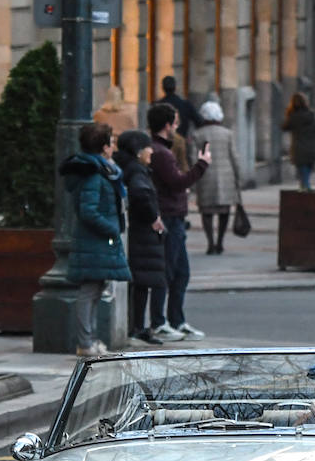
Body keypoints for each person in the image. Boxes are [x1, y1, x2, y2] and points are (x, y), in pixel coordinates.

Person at [58, 122, 131, 357]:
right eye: (110, 142)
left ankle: (89, 340)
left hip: (97, 240)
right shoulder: (94, 174)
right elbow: (88, 210)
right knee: (89, 291)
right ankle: (86, 342)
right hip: (95, 240)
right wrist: (111, 228)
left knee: (96, 289)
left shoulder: (102, 170)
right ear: (103, 146)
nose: (113, 147)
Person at [148, 102, 210, 342]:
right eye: (174, 122)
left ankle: (176, 320)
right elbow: (177, 182)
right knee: (168, 271)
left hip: (174, 217)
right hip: (170, 217)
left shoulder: (163, 150)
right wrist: (202, 164)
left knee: (180, 272)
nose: (177, 126)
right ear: (166, 125)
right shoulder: (162, 153)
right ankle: (160, 322)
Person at [113, 129, 167, 346]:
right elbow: (140, 194)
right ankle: (138, 327)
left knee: (141, 282)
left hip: (138, 232)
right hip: (142, 234)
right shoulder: (137, 171)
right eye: (147, 147)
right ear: (137, 151)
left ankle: (137, 326)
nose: (151, 151)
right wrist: (154, 217)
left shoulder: (132, 168)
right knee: (143, 281)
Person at [191, 99, 242, 255]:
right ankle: (220, 242)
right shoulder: (227, 134)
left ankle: (210, 243)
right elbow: (234, 156)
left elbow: (194, 158)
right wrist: (238, 176)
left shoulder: (197, 134)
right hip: (226, 177)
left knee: (206, 212)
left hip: (205, 176)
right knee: (224, 211)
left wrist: (193, 179)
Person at [282, 92, 315, 191]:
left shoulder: (293, 116)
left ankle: (305, 187)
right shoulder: (312, 115)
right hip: (312, 146)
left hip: (299, 147)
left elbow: (284, 127)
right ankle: (305, 186)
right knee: (307, 168)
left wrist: (288, 113)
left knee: (302, 169)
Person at [157, 75, 198, 142]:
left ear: (163, 88)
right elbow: (198, 121)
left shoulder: (158, 105)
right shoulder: (185, 104)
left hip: (163, 142)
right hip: (181, 140)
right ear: (175, 87)